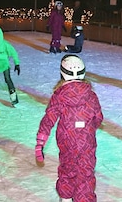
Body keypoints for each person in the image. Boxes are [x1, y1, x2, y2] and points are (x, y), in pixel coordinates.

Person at [35, 55, 103, 202]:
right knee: (85, 174)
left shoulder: (59, 96)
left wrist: (40, 143)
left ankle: (65, 198)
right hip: (86, 142)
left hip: (67, 142)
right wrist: (87, 130)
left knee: (67, 170)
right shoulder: (91, 96)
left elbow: (49, 119)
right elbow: (98, 118)